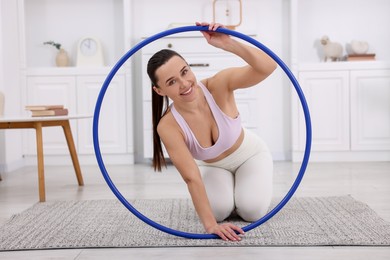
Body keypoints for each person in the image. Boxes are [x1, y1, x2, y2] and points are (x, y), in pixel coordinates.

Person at [147, 22, 277, 241]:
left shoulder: (219, 85)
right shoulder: (168, 126)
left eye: (185, 72)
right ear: (159, 90)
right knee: (217, 212)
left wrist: (229, 43)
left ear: (189, 67)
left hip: (250, 156)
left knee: (251, 211)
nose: (185, 84)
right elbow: (191, 177)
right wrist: (210, 226)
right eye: (172, 82)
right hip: (213, 166)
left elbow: (268, 67)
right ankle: (235, 191)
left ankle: (245, 189)